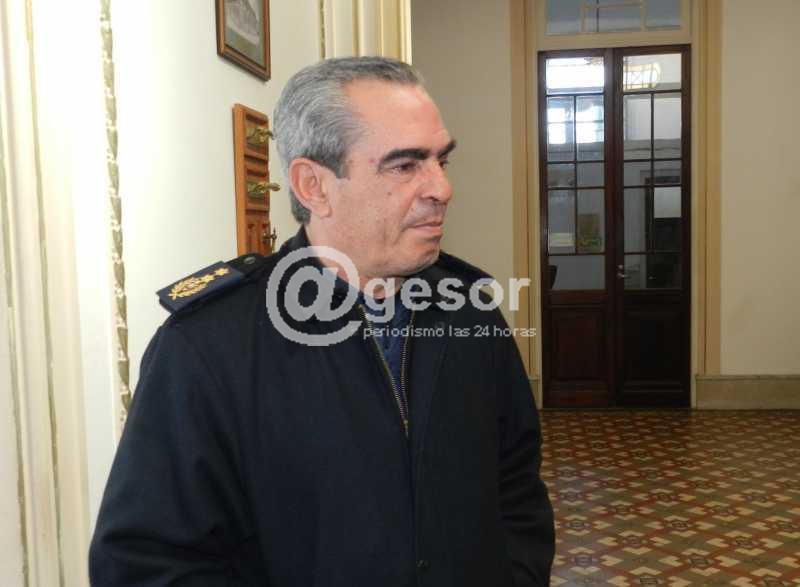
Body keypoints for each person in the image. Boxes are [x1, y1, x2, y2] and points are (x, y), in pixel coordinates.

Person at [89, 56, 554, 586]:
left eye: (441, 160)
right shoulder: (208, 345)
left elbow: (516, 484)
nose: (441, 188)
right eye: (405, 165)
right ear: (313, 186)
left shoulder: (470, 310)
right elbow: (147, 563)